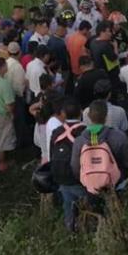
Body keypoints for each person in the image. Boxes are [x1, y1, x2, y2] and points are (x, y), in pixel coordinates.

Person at [49, 99, 87, 231]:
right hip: (79, 178)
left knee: (68, 203)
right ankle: (85, 227)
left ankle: (69, 227)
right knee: (86, 204)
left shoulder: (56, 132)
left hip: (61, 175)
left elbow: (51, 154)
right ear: (81, 112)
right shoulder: (86, 131)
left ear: (63, 114)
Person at [89, 20, 121, 87]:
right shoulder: (105, 45)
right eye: (108, 31)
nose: (110, 34)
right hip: (110, 74)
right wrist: (115, 46)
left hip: (99, 72)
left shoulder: (93, 41)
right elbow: (114, 58)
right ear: (102, 32)